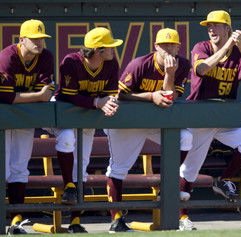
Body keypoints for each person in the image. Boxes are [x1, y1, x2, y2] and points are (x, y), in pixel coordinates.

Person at [105, 28, 195, 231]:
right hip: (129, 121)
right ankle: (116, 219)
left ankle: (166, 186)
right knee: (119, 168)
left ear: (179, 47)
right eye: (164, 45)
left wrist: (169, 75)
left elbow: (169, 98)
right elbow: (120, 95)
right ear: (156, 47)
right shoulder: (140, 64)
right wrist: (150, 96)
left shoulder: (182, 65)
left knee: (186, 138)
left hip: (155, 121)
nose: (169, 49)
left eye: (173, 45)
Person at [180, 9, 241, 226]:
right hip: (200, 118)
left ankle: (224, 180)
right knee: (189, 170)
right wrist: (227, 47)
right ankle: (183, 217)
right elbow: (202, 69)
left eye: (216, 25)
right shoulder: (201, 47)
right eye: (209, 26)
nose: (211, 29)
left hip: (225, 120)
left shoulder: (237, 53)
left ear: (228, 29)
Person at [49, 27, 122, 233]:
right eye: (109, 47)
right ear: (98, 50)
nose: (113, 50)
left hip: (87, 114)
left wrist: (108, 101)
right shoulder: (71, 62)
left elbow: (109, 95)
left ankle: (74, 222)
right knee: (66, 137)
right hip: (63, 111)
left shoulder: (110, 64)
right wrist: (98, 102)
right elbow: (70, 96)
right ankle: (69, 186)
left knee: (81, 166)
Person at [0, 19, 54, 235]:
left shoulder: (46, 57)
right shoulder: (7, 57)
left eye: (41, 39)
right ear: (21, 39)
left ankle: (16, 220)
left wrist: (34, 97)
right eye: (34, 39)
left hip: (23, 117)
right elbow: (4, 96)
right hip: (3, 117)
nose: (39, 43)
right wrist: (36, 97)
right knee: (2, 168)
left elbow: (46, 93)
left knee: (19, 169)